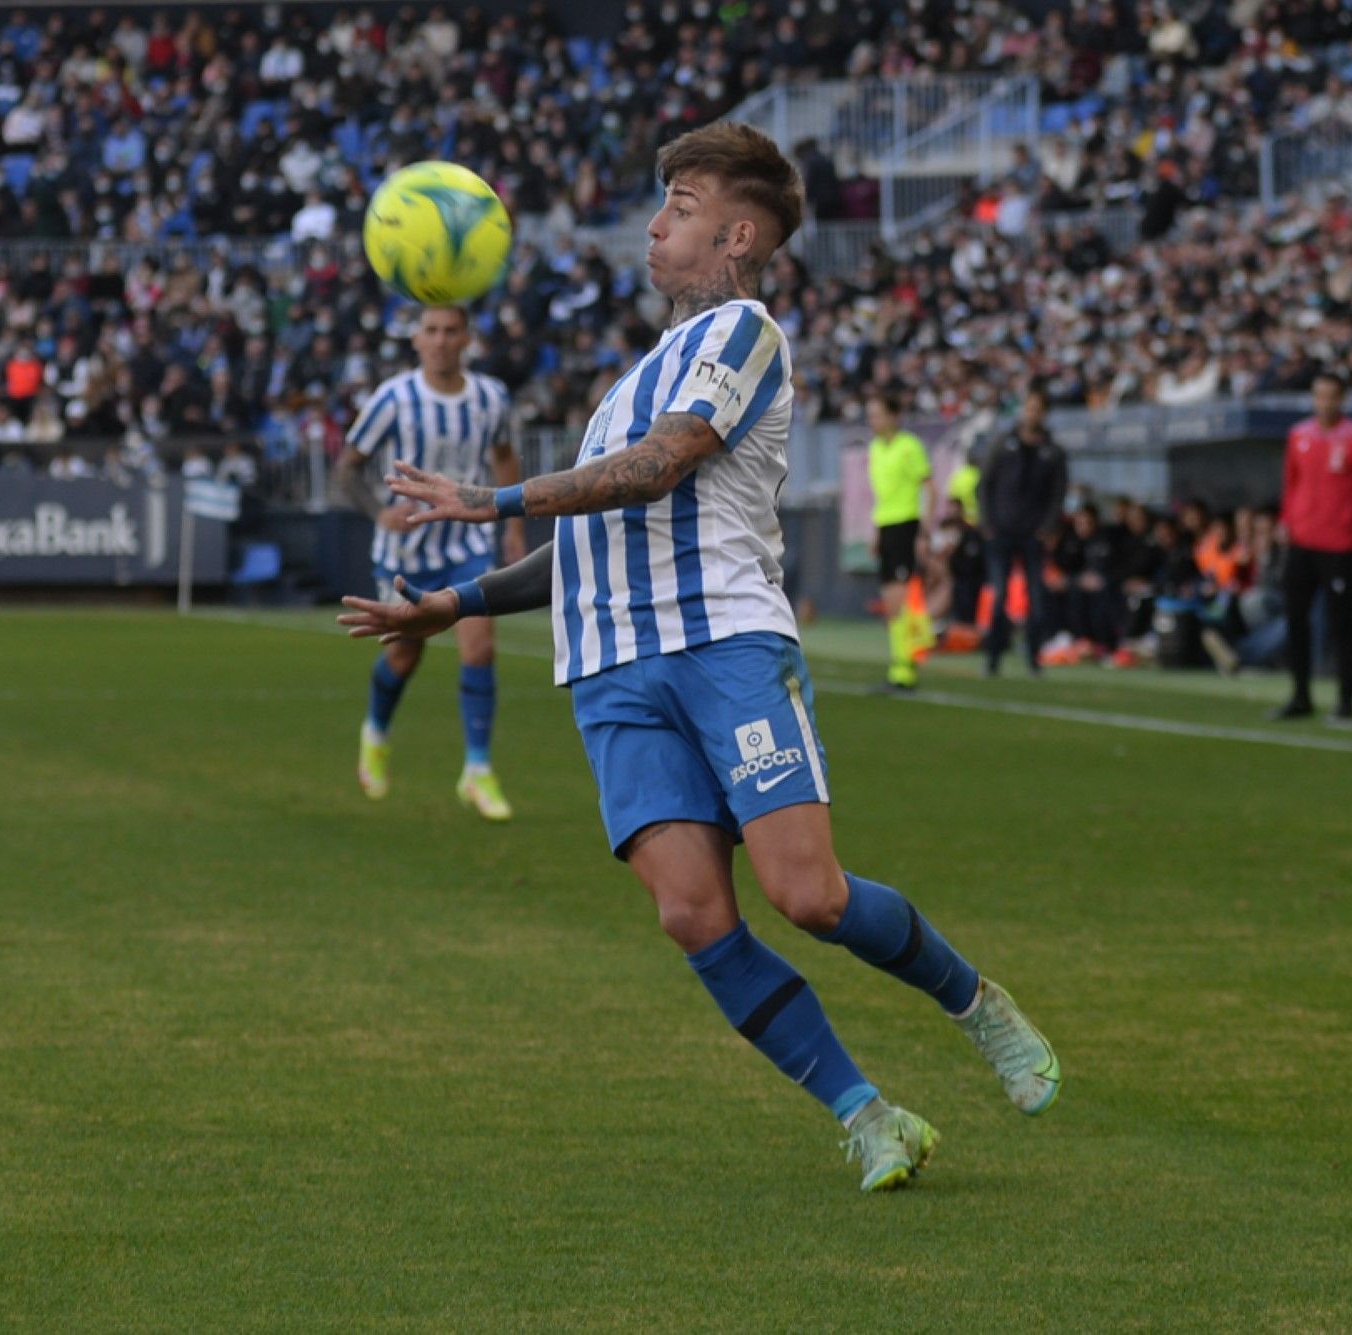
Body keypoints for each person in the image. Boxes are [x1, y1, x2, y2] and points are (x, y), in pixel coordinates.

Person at [338, 121, 1059, 1193]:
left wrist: (490, 499)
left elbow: (658, 470)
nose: (653, 222)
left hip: (722, 641)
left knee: (805, 895)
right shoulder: (630, 381)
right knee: (689, 912)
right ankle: (868, 1117)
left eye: (676, 205)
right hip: (612, 671)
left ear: (734, 236)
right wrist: (452, 601)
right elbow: (588, 538)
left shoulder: (744, 334)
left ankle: (972, 1002)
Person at [333, 305, 526, 818]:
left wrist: (514, 527)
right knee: (405, 655)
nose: (441, 341)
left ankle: (478, 771)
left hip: (467, 545)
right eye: (431, 331)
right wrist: (380, 512)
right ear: (416, 340)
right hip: (407, 552)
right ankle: (375, 733)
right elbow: (347, 469)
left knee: (480, 649)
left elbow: (505, 457)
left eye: (450, 331)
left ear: (467, 338)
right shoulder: (392, 398)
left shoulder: (490, 396)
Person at [1274, 372, 1352, 722]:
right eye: (1319, 396)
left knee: (1343, 624)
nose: (1324, 403)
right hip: (1301, 540)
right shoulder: (1299, 435)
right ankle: (1300, 695)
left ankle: (1345, 699)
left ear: (1342, 399)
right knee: (1296, 620)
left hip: (1341, 543)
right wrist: (1285, 520)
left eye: (1331, 396)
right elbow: (1291, 483)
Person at [977, 389, 1068, 676]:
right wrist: (987, 523)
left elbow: (1058, 493)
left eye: (1037, 409)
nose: (1032, 414)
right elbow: (984, 485)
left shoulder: (1052, 451)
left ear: (1044, 413)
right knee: (1000, 594)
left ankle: (1034, 657)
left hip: (1034, 535)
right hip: (1001, 531)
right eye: (1028, 408)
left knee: (1037, 598)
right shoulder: (1003, 444)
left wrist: (1047, 528)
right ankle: (993, 656)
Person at [864, 391, 935, 691]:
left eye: (878, 414)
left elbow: (929, 488)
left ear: (894, 416)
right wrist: (877, 533)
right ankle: (899, 664)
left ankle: (906, 668)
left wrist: (923, 531)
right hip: (887, 525)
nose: (873, 421)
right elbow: (882, 496)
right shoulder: (875, 448)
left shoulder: (909, 446)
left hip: (906, 524)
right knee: (891, 600)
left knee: (901, 599)